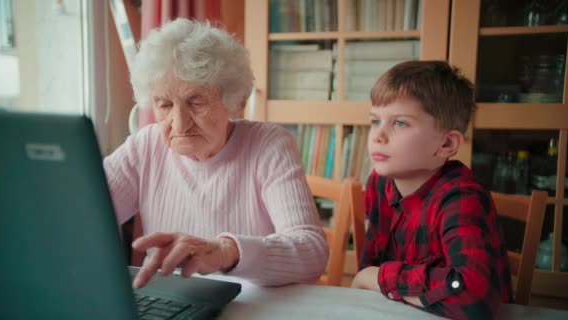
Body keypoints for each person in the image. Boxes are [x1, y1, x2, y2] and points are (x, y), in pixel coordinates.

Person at [103, 19, 328, 288]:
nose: (179, 123)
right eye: (164, 104)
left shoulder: (269, 145)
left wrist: (225, 252)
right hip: (177, 304)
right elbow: (78, 214)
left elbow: (312, 253)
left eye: (196, 103)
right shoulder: (145, 146)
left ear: (232, 100)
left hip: (255, 306)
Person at [351, 61, 512, 319]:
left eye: (400, 123)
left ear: (446, 143)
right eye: (375, 121)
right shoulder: (380, 183)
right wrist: (373, 277)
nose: (377, 136)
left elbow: (473, 295)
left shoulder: (461, 197)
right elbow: (371, 264)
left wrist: (378, 277)